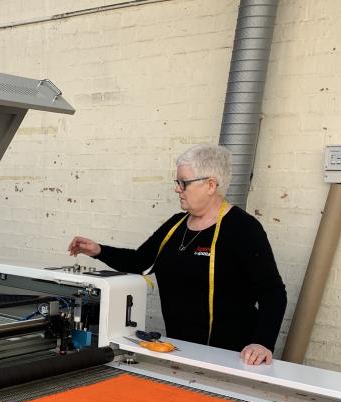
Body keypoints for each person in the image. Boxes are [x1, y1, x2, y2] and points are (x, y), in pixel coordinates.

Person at [68, 144, 286, 365]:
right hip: (181, 351)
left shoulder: (243, 229)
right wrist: (99, 251)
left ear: (210, 185)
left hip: (231, 358)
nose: (177, 189)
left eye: (184, 183)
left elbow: (273, 293)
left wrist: (262, 342)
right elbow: (140, 261)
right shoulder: (175, 225)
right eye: (177, 182)